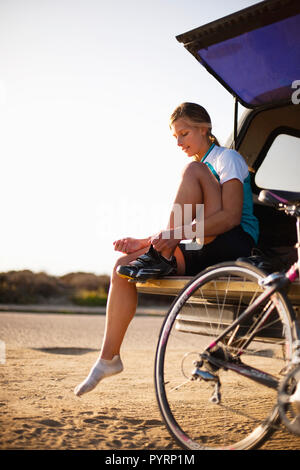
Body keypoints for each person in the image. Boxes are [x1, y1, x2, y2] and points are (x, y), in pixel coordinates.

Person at [74, 102, 259, 397]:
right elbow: (187, 230)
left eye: (184, 133)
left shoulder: (227, 159)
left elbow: (229, 218)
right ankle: (109, 358)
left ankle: (161, 255)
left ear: (204, 129)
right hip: (203, 244)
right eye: (175, 136)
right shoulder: (201, 168)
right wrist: (146, 242)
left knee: (193, 170)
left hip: (234, 242)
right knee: (122, 266)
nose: (179, 142)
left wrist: (167, 239)